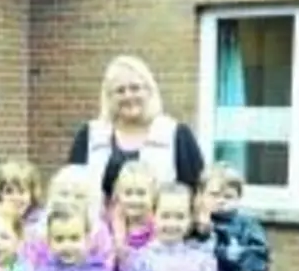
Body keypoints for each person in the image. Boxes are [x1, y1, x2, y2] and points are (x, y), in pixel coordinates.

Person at [67, 55, 205, 203]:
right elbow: (71, 190)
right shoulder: (90, 135)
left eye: (135, 88)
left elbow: (196, 193)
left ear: (149, 91)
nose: (128, 96)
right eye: (120, 91)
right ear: (108, 97)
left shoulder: (176, 134)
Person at [24, 165, 114, 271]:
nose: (71, 200)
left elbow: (106, 266)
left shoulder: (100, 232)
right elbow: (29, 266)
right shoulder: (37, 230)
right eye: (64, 194)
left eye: (79, 196)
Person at [0, 160, 45, 258]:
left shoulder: (41, 223)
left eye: (21, 192)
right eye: (9, 191)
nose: (15, 197)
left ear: (32, 194)